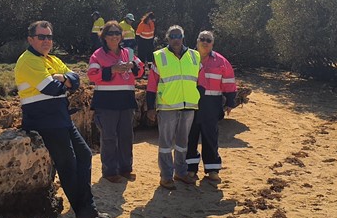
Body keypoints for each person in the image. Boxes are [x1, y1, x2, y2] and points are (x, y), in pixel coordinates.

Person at [15, 20, 111, 218]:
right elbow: (52, 89)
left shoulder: (53, 60)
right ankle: (84, 211)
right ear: (30, 39)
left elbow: (77, 81)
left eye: (49, 37)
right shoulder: (28, 60)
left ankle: (87, 207)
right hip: (44, 120)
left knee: (84, 155)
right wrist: (64, 81)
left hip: (61, 118)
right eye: (41, 37)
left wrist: (62, 78)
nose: (46, 41)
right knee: (68, 164)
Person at [87, 21, 145, 183]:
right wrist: (111, 70)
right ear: (104, 37)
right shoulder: (97, 55)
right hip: (106, 103)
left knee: (126, 136)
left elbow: (140, 71)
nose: (114, 36)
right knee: (109, 137)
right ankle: (110, 171)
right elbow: (92, 75)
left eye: (117, 33)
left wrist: (133, 65)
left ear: (121, 36)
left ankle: (126, 168)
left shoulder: (129, 53)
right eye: (110, 33)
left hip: (126, 101)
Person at [146, 25, 200, 190]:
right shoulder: (160, 56)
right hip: (167, 106)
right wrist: (150, 107)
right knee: (165, 144)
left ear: (183, 37)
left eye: (179, 36)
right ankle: (166, 176)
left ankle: (181, 172)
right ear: (168, 39)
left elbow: (200, 80)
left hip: (189, 106)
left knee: (183, 143)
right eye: (172, 36)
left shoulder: (194, 55)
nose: (176, 39)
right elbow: (152, 84)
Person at [186, 31, 237, 182]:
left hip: (211, 104)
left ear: (212, 44)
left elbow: (229, 81)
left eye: (208, 40)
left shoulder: (221, 61)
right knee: (191, 137)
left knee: (210, 137)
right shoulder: (188, 59)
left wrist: (230, 101)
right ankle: (190, 168)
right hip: (191, 103)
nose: (205, 42)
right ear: (197, 41)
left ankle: (213, 168)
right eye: (202, 39)